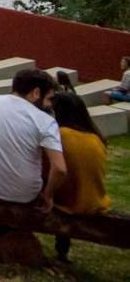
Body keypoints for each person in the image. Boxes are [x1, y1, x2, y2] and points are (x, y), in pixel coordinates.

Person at [0, 68, 64, 221]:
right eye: (49, 98)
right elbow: (60, 169)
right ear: (36, 93)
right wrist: (48, 196)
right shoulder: (46, 122)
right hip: (24, 195)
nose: (50, 104)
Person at [47, 90, 109, 263]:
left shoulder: (59, 135)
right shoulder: (96, 138)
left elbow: (53, 170)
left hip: (68, 203)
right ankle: (62, 252)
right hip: (94, 200)